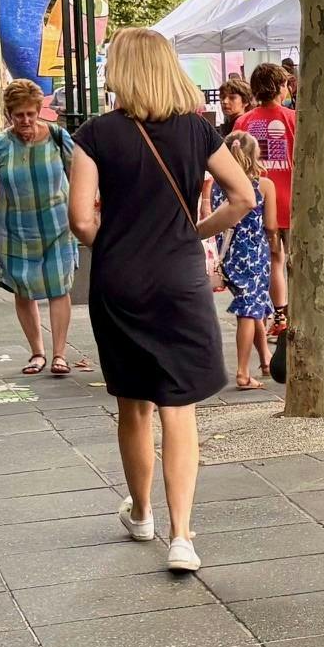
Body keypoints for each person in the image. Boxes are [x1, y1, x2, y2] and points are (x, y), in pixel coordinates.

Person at [66, 29, 252, 573]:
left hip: (120, 279)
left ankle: (142, 513)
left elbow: (81, 219)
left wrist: (118, 245)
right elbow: (242, 197)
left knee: (132, 403)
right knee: (178, 406)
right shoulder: (198, 130)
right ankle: (183, 537)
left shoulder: (95, 134)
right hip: (179, 277)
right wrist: (195, 231)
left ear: (120, 71)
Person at [0, 79, 79, 376]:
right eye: (18, 115)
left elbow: (76, 176)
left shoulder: (58, 138)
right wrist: (16, 208)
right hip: (17, 228)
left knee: (59, 287)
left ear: (39, 111)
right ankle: (37, 352)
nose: (25, 120)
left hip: (57, 225)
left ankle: (60, 354)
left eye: (30, 114)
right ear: (9, 114)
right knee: (23, 288)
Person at [215, 131, 278, 389]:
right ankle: (242, 372)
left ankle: (265, 359)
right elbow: (271, 225)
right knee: (249, 311)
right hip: (253, 254)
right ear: (255, 155)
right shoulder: (264, 185)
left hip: (227, 253)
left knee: (253, 306)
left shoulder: (218, 186)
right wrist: (275, 243)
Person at [239, 63, 298, 317]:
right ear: (281, 87)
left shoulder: (243, 121)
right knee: (297, 262)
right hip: (293, 202)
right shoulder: (295, 119)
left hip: (259, 204)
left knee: (273, 260)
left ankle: (280, 314)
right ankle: (299, 313)